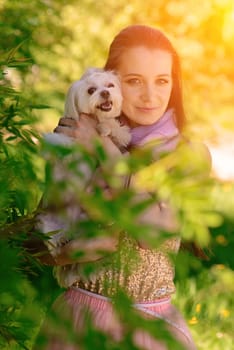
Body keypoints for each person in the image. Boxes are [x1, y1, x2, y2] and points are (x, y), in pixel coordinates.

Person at [35, 24, 210, 350]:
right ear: (111, 82)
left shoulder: (188, 154)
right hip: (79, 321)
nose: (150, 96)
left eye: (162, 81)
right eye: (134, 81)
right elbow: (39, 238)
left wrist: (101, 149)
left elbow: (151, 232)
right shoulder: (78, 140)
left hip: (151, 329)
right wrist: (67, 252)